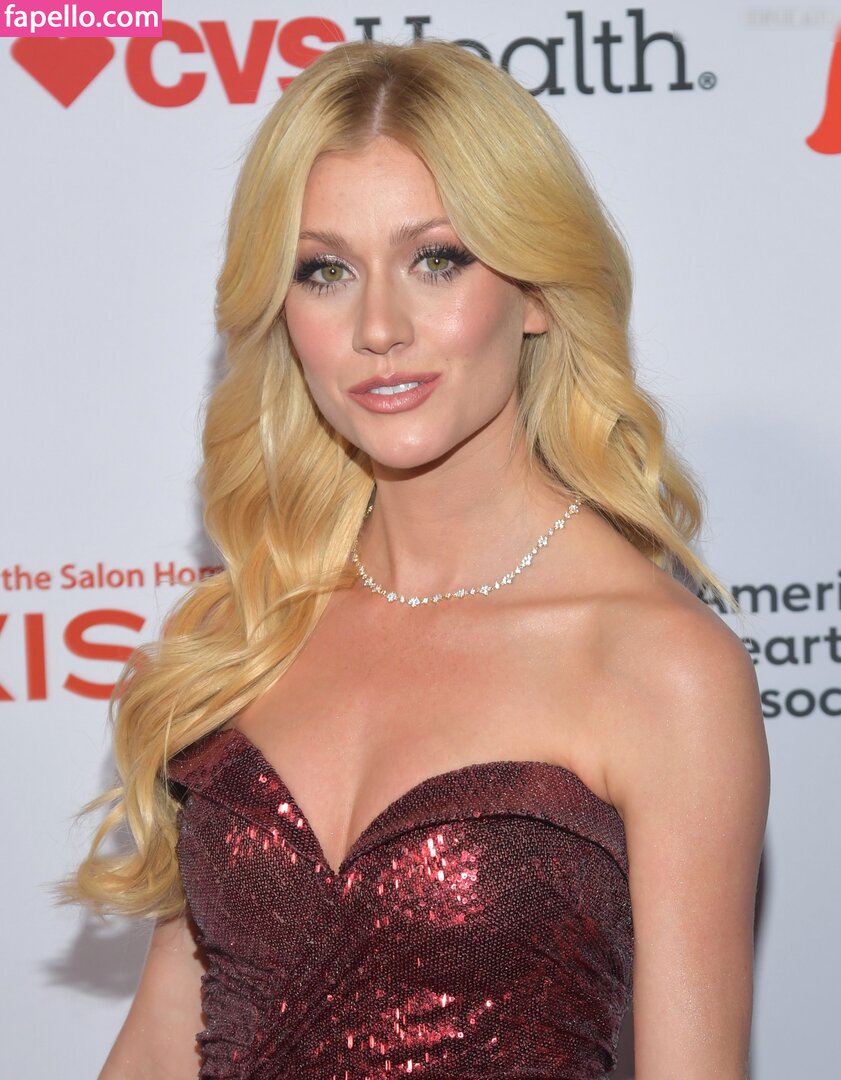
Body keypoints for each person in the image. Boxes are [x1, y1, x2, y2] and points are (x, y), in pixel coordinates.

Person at [68, 39, 769, 1080]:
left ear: (535, 291)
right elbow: (164, 1045)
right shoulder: (246, 634)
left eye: (436, 259)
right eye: (324, 271)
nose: (378, 327)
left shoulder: (658, 667)